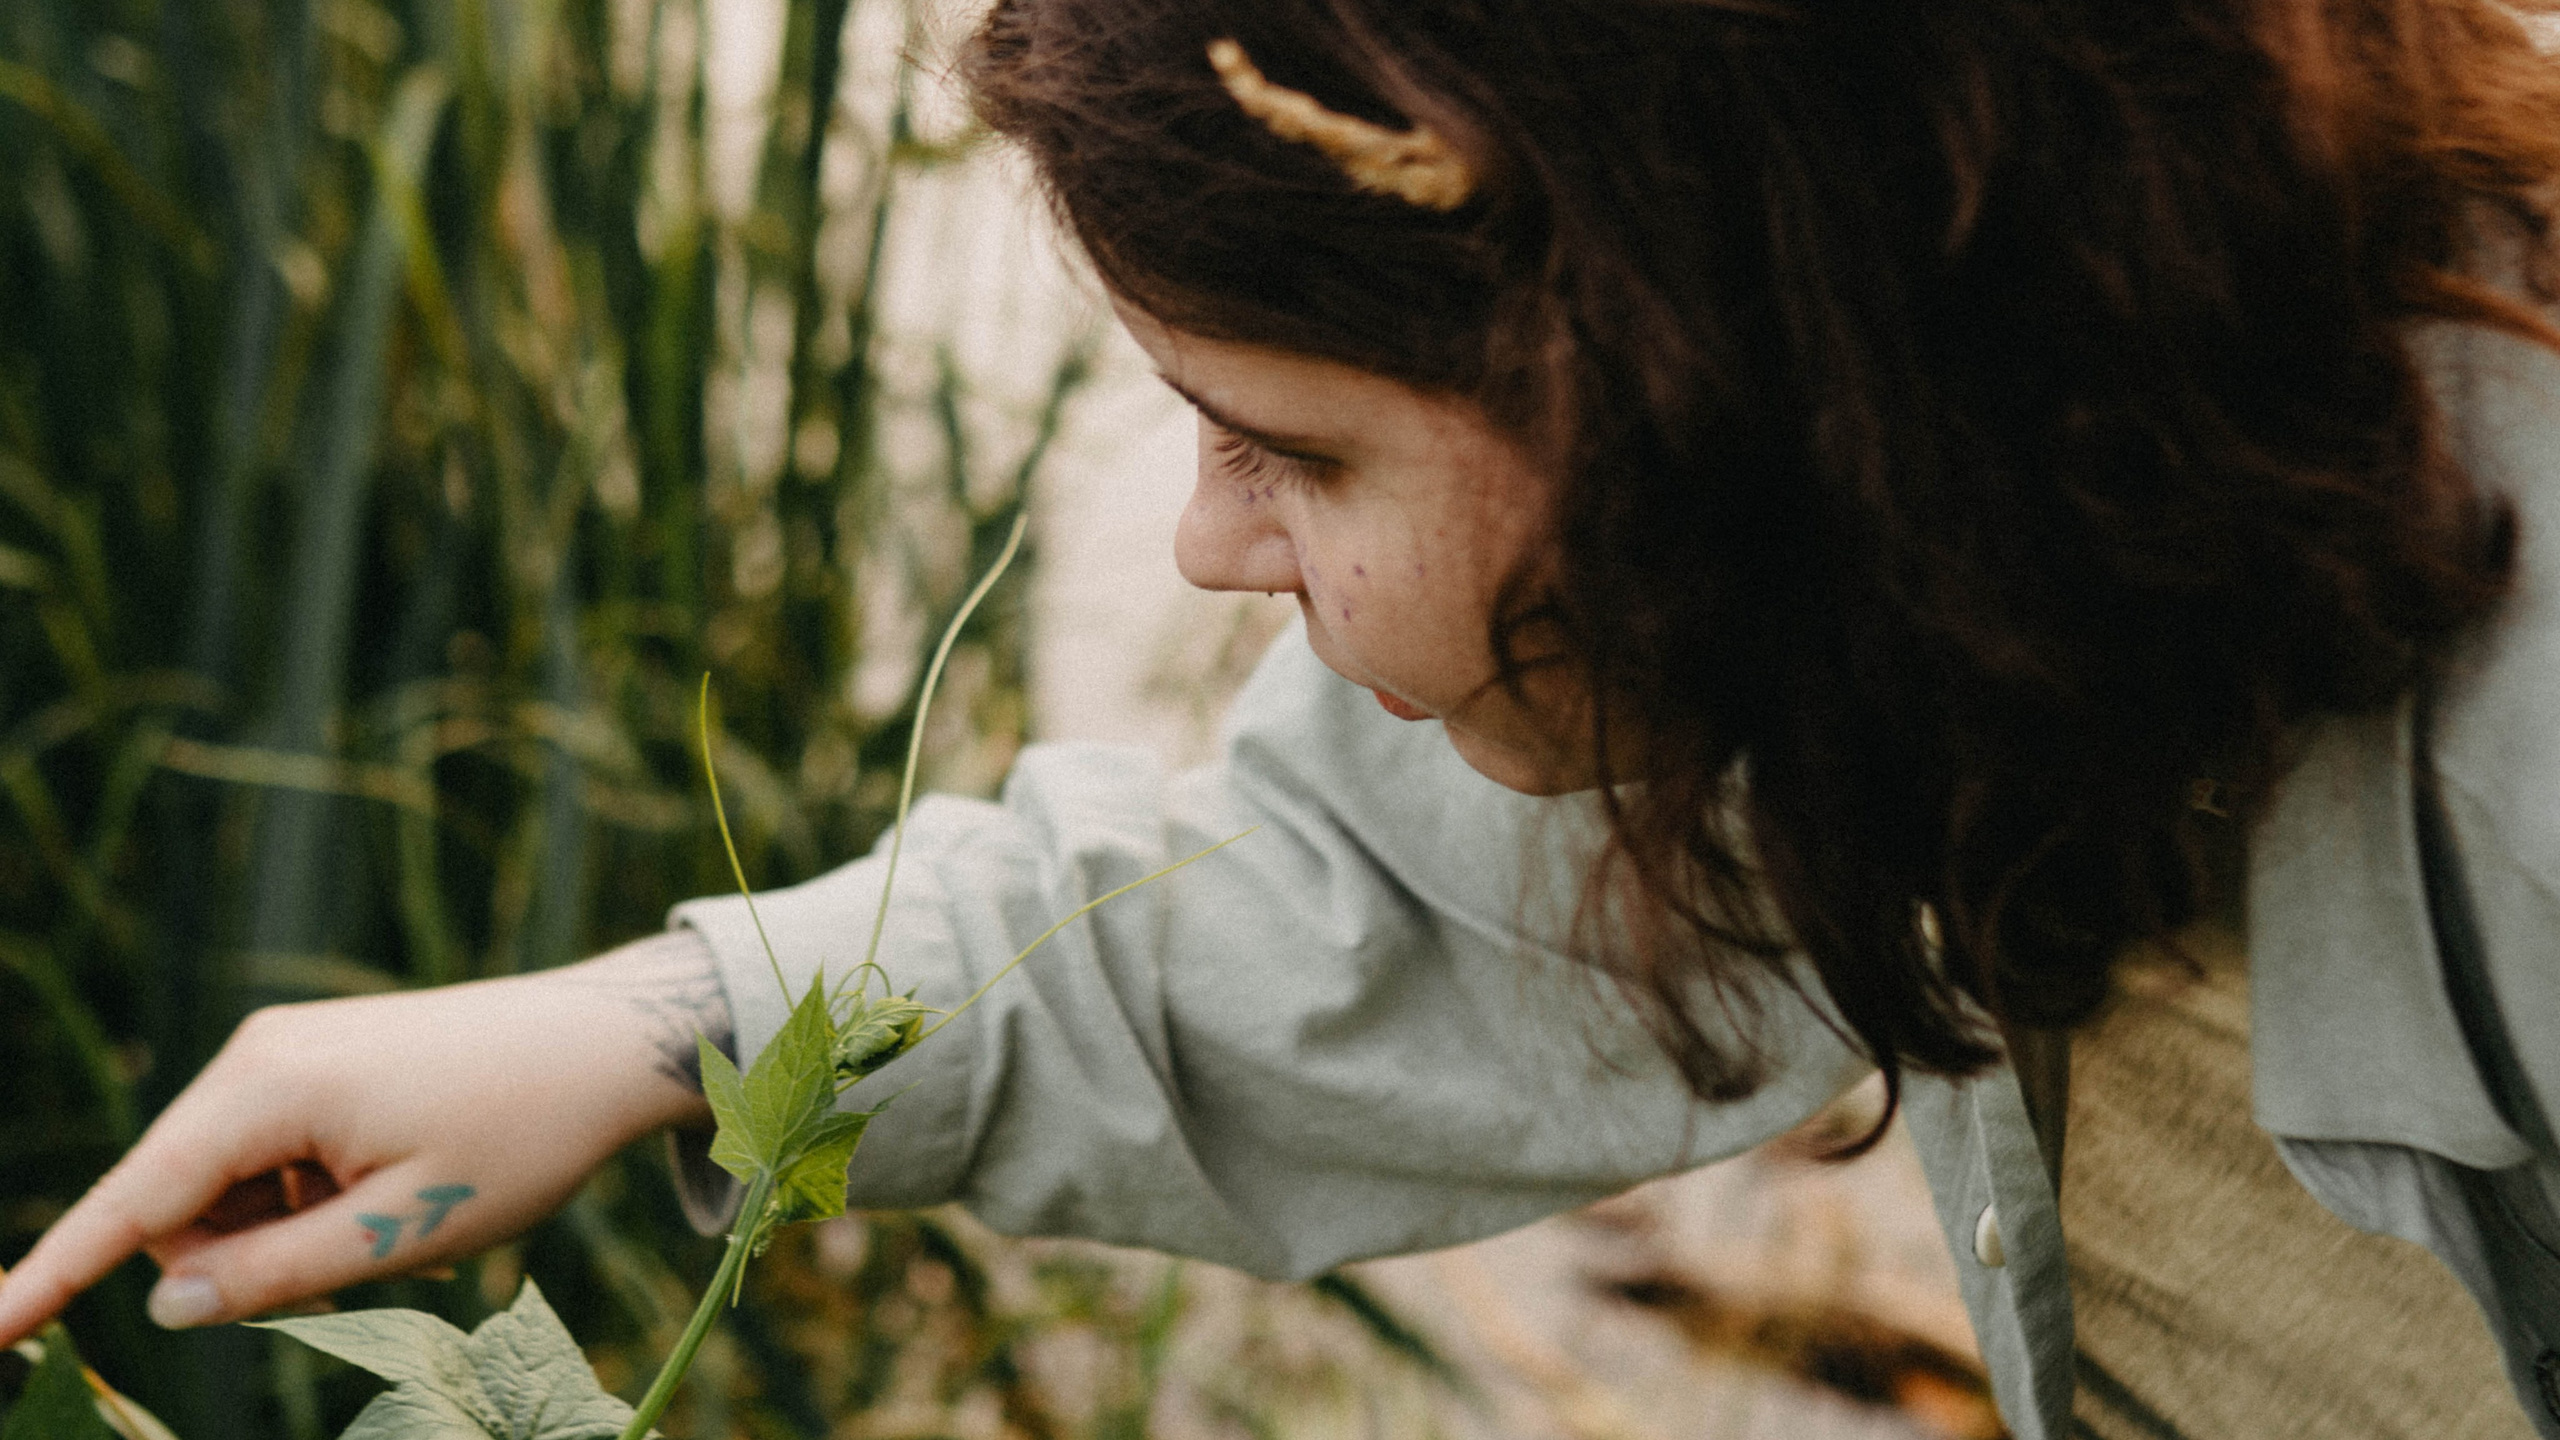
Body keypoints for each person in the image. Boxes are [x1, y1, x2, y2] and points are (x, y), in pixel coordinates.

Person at [6, 1, 2560, 1434]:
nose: (1211, 548)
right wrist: (654, 1024)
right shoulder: (1901, 585)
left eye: (1293, 448)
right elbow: (1341, 907)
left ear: (1710, 372)